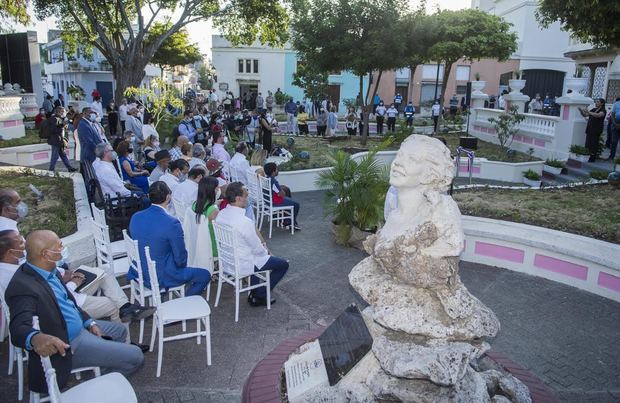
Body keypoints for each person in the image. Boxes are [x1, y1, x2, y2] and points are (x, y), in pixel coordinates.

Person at [5, 230, 144, 395]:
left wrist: (89, 322)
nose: (63, 248)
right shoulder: (23, 286)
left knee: (119, 330)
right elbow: (18, 328)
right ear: (46, 254)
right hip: (68, 344)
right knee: (136, 356)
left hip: (80, 328)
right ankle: (97, 391)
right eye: (59, 245)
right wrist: (35, 337)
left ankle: (105, 372)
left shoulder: (49, 269)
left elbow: (70, 301)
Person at [0, 230, 155, 324]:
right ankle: (125, 344)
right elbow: (55, 296)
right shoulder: (17, 276)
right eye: (21, 243)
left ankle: (126, 307)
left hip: (69, 288)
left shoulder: (17, 263)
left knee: (104, 271)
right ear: (10, 252)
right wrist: (73, 283)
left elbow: (52, 278)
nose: (25, 244)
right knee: (111, 304)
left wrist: (64, 273)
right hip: (67, 303)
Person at [129, 182, 211, 296]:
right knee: (205, 275)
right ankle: (188, 301)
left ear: (149, 196)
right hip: (160, 275)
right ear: (168, 197)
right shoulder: (171, 223)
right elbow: (180, 259)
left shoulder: (136, 216)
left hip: (139, 270)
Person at [215, 182, 288, 306]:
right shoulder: (244, 221)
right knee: (282, 264)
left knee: (255, 258)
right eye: (246, 196)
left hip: (228, 260)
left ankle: (254, 294)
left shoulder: (221, 214)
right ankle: (261, 294)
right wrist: (267, 252)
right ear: (238, 198)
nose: (247, 199)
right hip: (243, 263)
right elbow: (257, 249)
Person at [264, 162, 300, 230]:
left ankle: (286, 220)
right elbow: (282, 194)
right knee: (296, 204)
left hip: (268, 200)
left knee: (289, 200)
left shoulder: (266, 179)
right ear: (273, 172)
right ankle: (290, 223)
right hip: (275, 201)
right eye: (276, 169)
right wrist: (281, 192)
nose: (278, 171)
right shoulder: (273, 181)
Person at [193, 177, 221, 259]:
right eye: (217, 188)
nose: (218, 190)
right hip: (212, 247)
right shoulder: (214, 210)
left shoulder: (195, 204)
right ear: (212, 190)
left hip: (199, 242)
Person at [47, 106, 77, 172]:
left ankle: (69, 168)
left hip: (60, 140)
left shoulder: (60, 118)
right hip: (55, 140)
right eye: (62, 112)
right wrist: (62, 125)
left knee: (63, 154)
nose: (64, 113)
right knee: (55, 156)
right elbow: (53, 130)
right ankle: (51, 169)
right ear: (58, 112)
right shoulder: (54, 119)